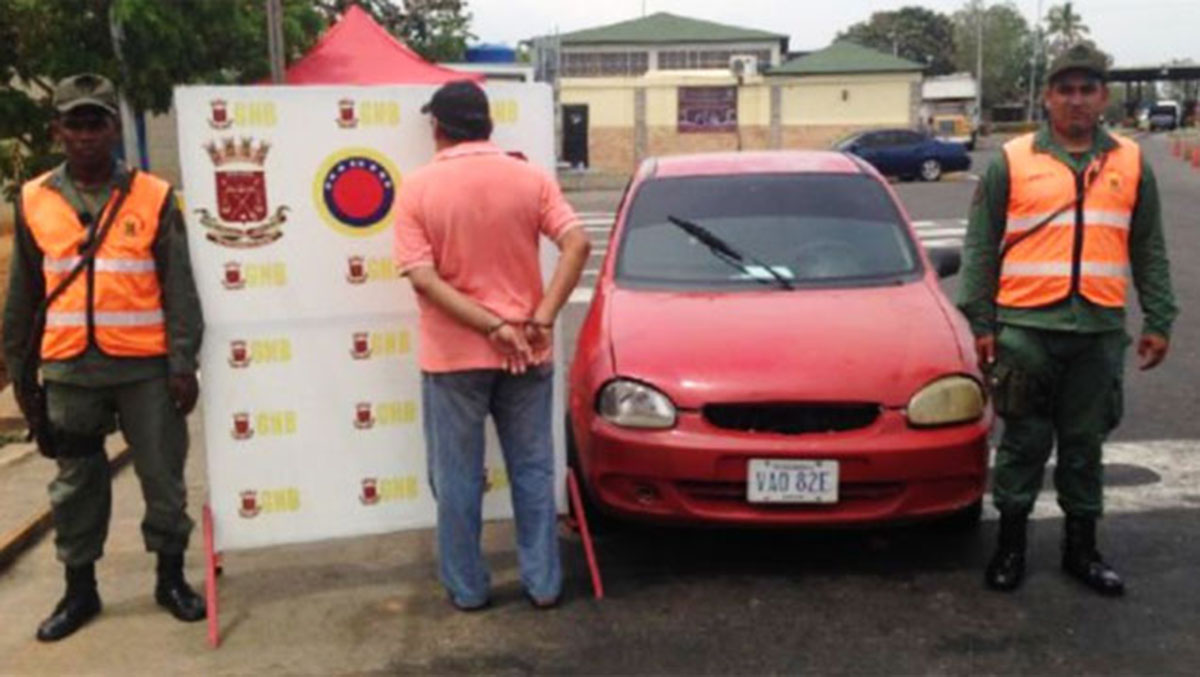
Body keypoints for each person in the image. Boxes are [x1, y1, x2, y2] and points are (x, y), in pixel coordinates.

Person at [957, 44, 1177, 596]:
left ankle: (1083, 552)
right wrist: (982, 322)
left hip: (1098, 332)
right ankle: (1010, 549)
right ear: (1048, 96)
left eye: (1087, 89)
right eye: (1065, 89)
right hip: (1026, 330)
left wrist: (1159, 317)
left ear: (1103, 97)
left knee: (1085, 446)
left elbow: (1147, 245)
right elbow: (981, 246)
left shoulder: (1129, 160)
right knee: (1023, 445)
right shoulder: (1013, 159)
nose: (1076, 100)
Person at [3, 74, 206, 641]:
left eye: (97, 122)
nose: (87, 134)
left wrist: (182, 362)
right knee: (75, 484)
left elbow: (179, 288)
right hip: (70, 371)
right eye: (76, 123)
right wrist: (23, 377)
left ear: (115, 128)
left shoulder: (153, 195)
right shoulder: (35, 199)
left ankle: (170, 578)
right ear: (57, 130)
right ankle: (79, 591)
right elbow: (23, 297)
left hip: (144, 369)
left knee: (163, 479)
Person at [393, 81, 590, 610]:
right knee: (532, 469)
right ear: (488, 125)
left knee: (456, 478)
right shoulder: (530, 178)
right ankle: (544, 584)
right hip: (528, 349)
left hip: (455, 357)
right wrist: (541, 318)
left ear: (438, 128)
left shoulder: (417, 188)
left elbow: (424, 280)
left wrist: (486, 326)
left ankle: (468, 588)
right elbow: (578, 243)